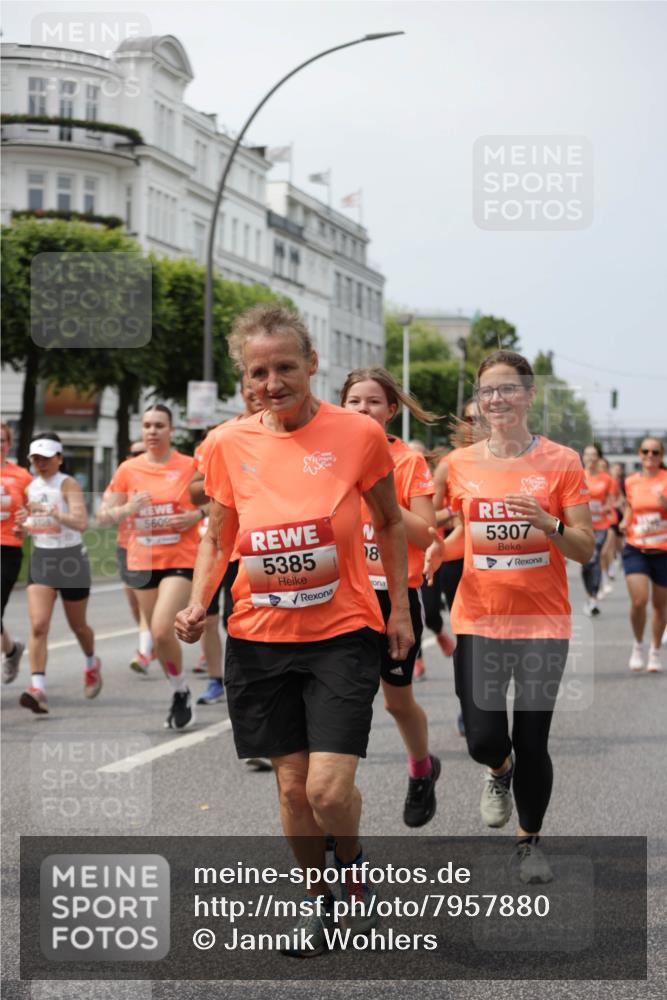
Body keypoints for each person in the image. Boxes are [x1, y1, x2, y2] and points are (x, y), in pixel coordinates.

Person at [175, 304, 412, 956]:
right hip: (258, 635)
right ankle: (317, 899)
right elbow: (218, 535)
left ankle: (355, 871)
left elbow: (391, 523)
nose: (272, 381)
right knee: (289, 787)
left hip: (342, 631)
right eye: (258, 371)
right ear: (242, 378)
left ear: (312, 365)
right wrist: (199, 604)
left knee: (326, 790)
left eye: (285, 366)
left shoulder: (356, 436)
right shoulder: (226, 444)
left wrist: (399, 610)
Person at [426, 350, 594, 883]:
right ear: (477, 402)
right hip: (478, 617)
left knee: (533, 737)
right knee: (483, 739)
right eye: (488, 391)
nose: (496, 400)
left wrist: (549, 523)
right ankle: (499, 772)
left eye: (508, 390)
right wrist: (438, 551)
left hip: (544, 622)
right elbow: (460, 535)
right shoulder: (458, 466)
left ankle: (529, 842)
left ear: (528, 396)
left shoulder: (562, 461)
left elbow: (586, 548)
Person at [341, 367, 441, 827]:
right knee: (342, 700)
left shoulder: (408, 462)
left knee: (396, 702)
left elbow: (423, 531)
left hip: (394, 596)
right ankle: (332, 800)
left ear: (391, 410)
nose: (363, 409)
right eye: (355, 401)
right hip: (343, 598)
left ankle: (422, 769)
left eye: (373, 402)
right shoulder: (327, 457)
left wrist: (376, 493)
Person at [104, 405, 202, 729]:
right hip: (141, 560)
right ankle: (180, 690)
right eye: (147, 425)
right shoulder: (128, 469)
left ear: (171, 430)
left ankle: (180, 688)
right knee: (159, 640)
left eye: (159, 425)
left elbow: (221, 498)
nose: (152, 431)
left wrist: (196, 516)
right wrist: (128, 507)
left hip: (180, 557)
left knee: (162, 628)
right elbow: (105, 514)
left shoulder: (190, 465)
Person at [189, 379, 264, 709]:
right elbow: (193, 491)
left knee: (255, 626)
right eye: (249, 384)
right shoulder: (222, 437)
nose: (255, 391)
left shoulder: (292, 433)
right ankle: (219, 681)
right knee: (214, 620)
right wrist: (222, 489)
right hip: (227, 547)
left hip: (266, 548)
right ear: (242, 391)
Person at [17, 433, 101, 714]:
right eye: (36, 458)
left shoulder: (68, 484)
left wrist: (51, 511)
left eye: (47, 457)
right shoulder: (31, 487)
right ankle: (38, 689)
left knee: (78, 626)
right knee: (39, 625)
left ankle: (91, 662)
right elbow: (35, 523)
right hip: (43, 557)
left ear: (60, 458)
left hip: (70, 559)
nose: (41, 463)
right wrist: (24, 526)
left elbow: (80, 522)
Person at [99, 441, 154, 674]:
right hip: (128, 546)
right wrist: (129, 507)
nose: (138, 456)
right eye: (133, 453)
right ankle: (150, 641)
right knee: (134, 602)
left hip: (158, 549)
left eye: (142, 452)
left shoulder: (160, 476)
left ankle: (144, 651)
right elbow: (104, 516)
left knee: (145, 605)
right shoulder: (124, 476)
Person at [619, 437, 667, 672]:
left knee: (660, 605)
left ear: (661, 456)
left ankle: (655, 651)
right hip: (636, 547)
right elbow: (630, 506)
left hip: (663, 550)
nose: (650, 455)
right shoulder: (631, 482)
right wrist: (624, 521)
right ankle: (638, 645)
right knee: (639, 601)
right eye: (646, 451)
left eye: (655, 452)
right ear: (639, 454)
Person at [1, 422, 32, 684]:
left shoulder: (22, 476)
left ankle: (12, 651)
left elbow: (39, 509)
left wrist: (27, 519)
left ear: (9, 444)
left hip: (8, 549)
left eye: (2, 439)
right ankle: (12, 650)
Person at [581, 444, 618, 615]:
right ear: (583, 457)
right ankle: (589, 595)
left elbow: (612, 502)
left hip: (601, 525)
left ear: (598, 458)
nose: (590, 458)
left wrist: (606, 509)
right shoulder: (578, 476)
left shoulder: (607, 479)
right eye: (587, 454)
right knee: (586, 562)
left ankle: (594, 598)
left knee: (594, 556)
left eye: (593, 455)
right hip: (582, 526)